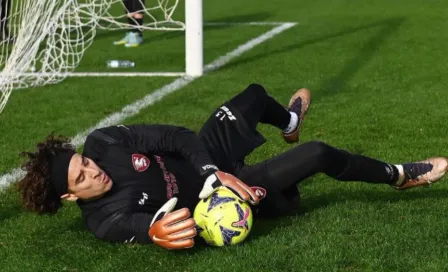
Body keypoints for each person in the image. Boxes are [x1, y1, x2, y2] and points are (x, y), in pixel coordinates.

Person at [17, 83, 448, 250]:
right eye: (81, 178)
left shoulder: (105, 141)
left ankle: (290, 122)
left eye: (85, 163)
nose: (93, 171)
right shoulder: (106, 220)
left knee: (255, 97)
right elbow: (170, 230)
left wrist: (208, 169)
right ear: (71, 196)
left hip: (207, 165)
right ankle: (400, 175)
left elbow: (177, 138)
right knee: (317, 154)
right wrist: (159, 233)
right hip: (225, 195)